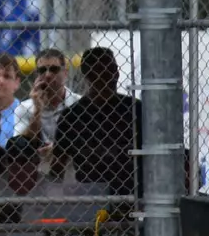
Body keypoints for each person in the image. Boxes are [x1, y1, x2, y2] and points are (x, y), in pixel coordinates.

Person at [52, 47, 143, 197]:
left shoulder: (134, 109)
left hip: (132, 196)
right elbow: (57, 167)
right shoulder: (72, 117)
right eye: (101, 70)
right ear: (88, 75)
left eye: (113, 69)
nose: (111, 76)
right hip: (90, 199)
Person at [15, 48, 81, 156]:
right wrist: (37, 109)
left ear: (65, 73)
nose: (48, 75)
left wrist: (57, 149)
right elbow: (20, 146)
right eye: (42, 70)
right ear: (37, 75)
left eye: (54, 69)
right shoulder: (24, 107)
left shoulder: (80, 104)